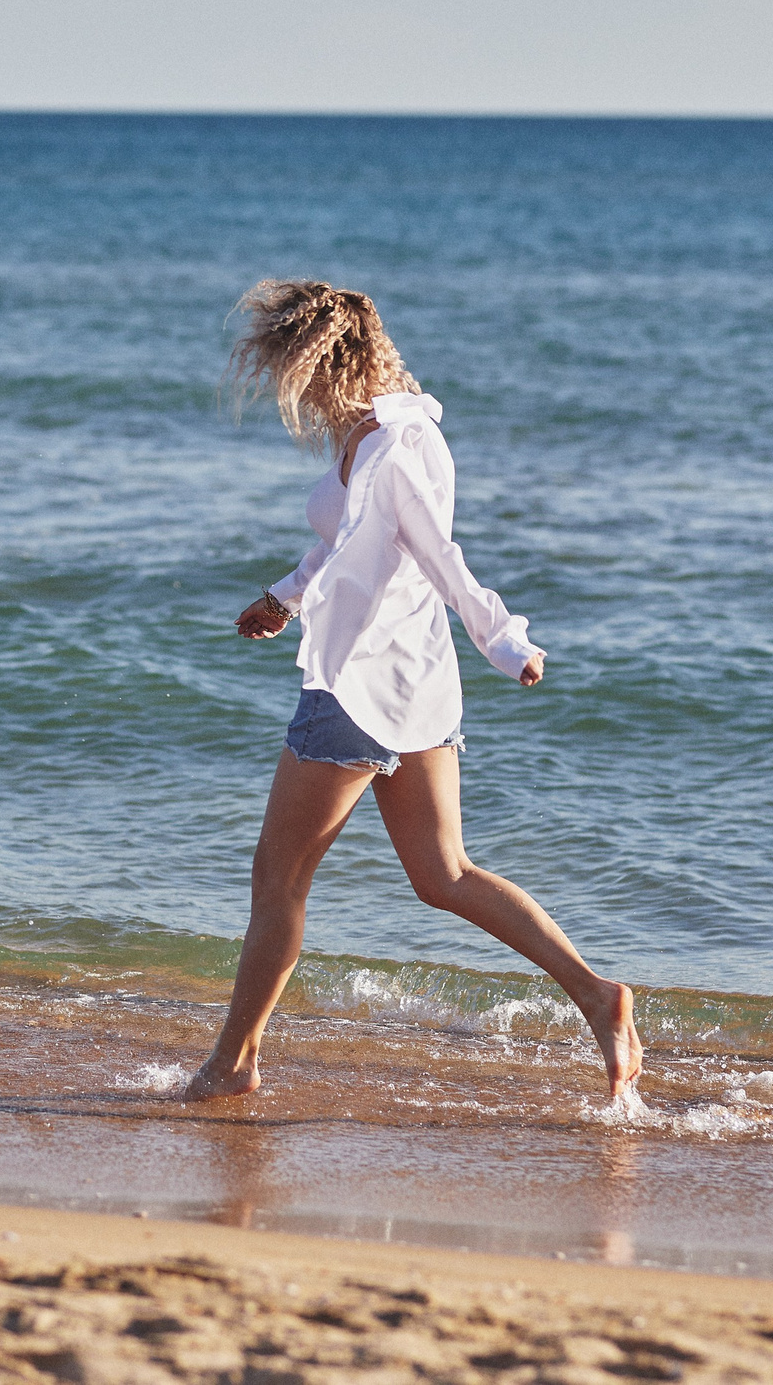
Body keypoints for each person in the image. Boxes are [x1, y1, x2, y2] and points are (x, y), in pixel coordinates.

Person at [183, 279, 642, 1105]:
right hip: (415, 685)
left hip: (355, 688)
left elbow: (441, 557)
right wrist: (285, 596)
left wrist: (505, 640)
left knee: (278, 879)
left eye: (295, 369)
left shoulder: (392, 448)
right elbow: (353, 544)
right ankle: (598, 996)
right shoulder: (383, 431)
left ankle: (233, 1064)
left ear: (327, 362)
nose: (294, 391)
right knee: (443, 873)